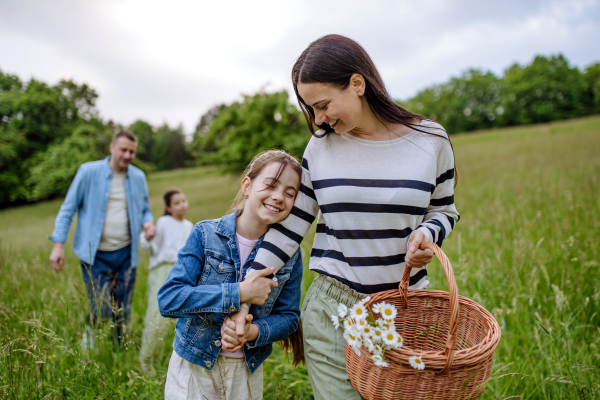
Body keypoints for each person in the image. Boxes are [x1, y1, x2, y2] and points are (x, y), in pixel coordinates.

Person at [242, 34, 461, 400]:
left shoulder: (431, 140)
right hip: (332, 308)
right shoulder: (321, 146)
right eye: (311, 109)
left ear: (357, 84)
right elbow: (289, 229)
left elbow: (443, 209)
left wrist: (428, 234)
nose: (318, 118)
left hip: (404, 310)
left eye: (324, 104)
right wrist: (245, 291)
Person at [158, 150, 305, 400]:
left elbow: (289, 317)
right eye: (270, 185)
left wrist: (253, 332)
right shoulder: (205, 235)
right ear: (247, 186)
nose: (279, 197)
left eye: (290, 193)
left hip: (244, 373)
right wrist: (239, 293)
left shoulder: (290, 254)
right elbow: (169, 299)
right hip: (194, 368)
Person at [48, 130, 155, 346]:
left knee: (122, 310)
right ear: (112, 148)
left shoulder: (138, 176)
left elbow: (144, 208)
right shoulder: (88, 172)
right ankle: (89, 343)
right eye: (123, 150)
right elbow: (68, 209)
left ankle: (119, 352)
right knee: (102, 307)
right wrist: (58, 245)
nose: (127, 155)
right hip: (94, 256)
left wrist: (148, 222)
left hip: (126, 254)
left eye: (132, 152)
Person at [139, 188, 193, 367]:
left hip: (181, 270)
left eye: (183, 201)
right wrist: (147, 238)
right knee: (157, 312)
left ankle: (179, 358)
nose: (182, 205)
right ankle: (146, 359)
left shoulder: (189, 226)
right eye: (176, 203)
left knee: (184, 313)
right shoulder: (163, 222)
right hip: (161, 270)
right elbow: (152, 248)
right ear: (168, 207)